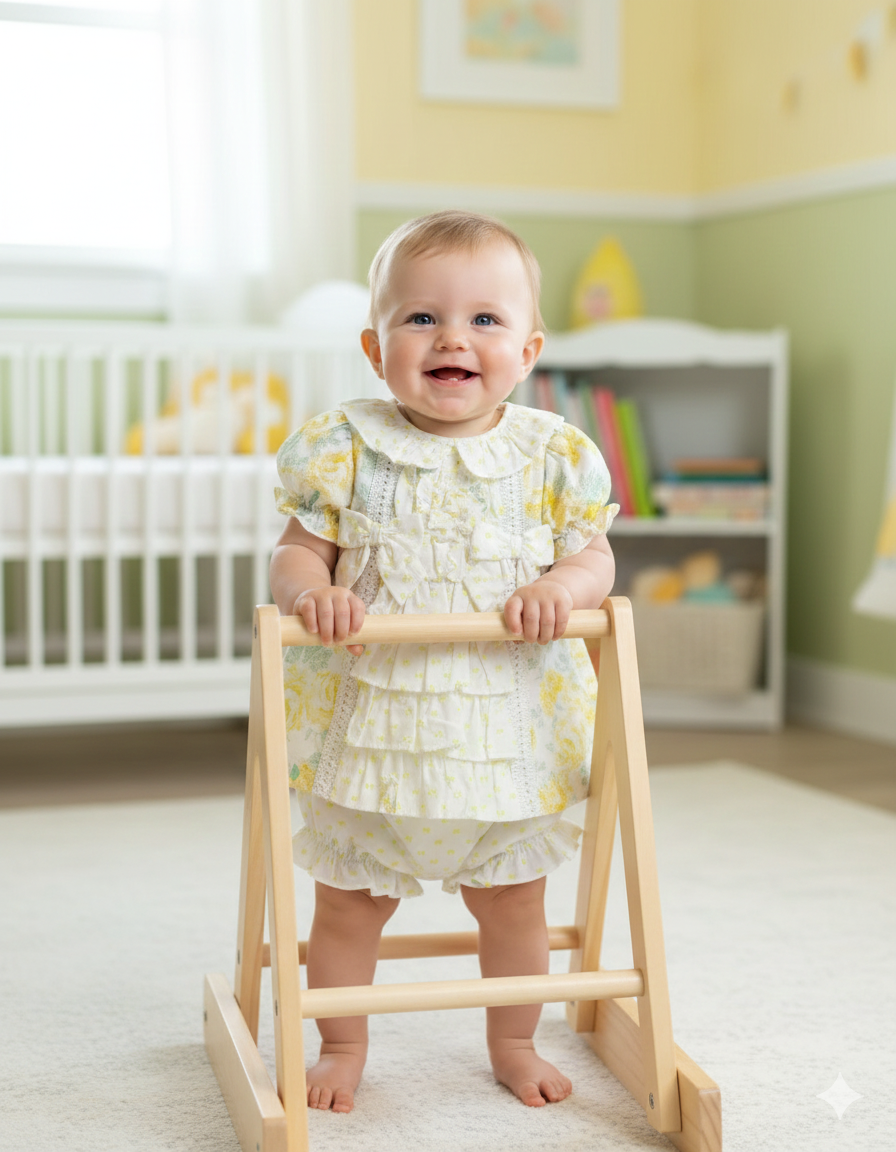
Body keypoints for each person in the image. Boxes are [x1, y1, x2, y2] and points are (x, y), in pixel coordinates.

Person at [270, 210, 618, 1114]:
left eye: (485, 321)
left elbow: (595, 557)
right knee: (349, 905)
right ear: (373, 344)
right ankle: (342, 1044)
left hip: (506, 742)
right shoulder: (345, 447)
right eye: (421, 318)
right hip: (372, 740)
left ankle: (511, 1037)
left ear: (530, 348)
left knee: (513, 906)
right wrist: (314, 592)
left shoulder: (551, 456)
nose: (452, 337)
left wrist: (569, 588)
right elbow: (296, 553)